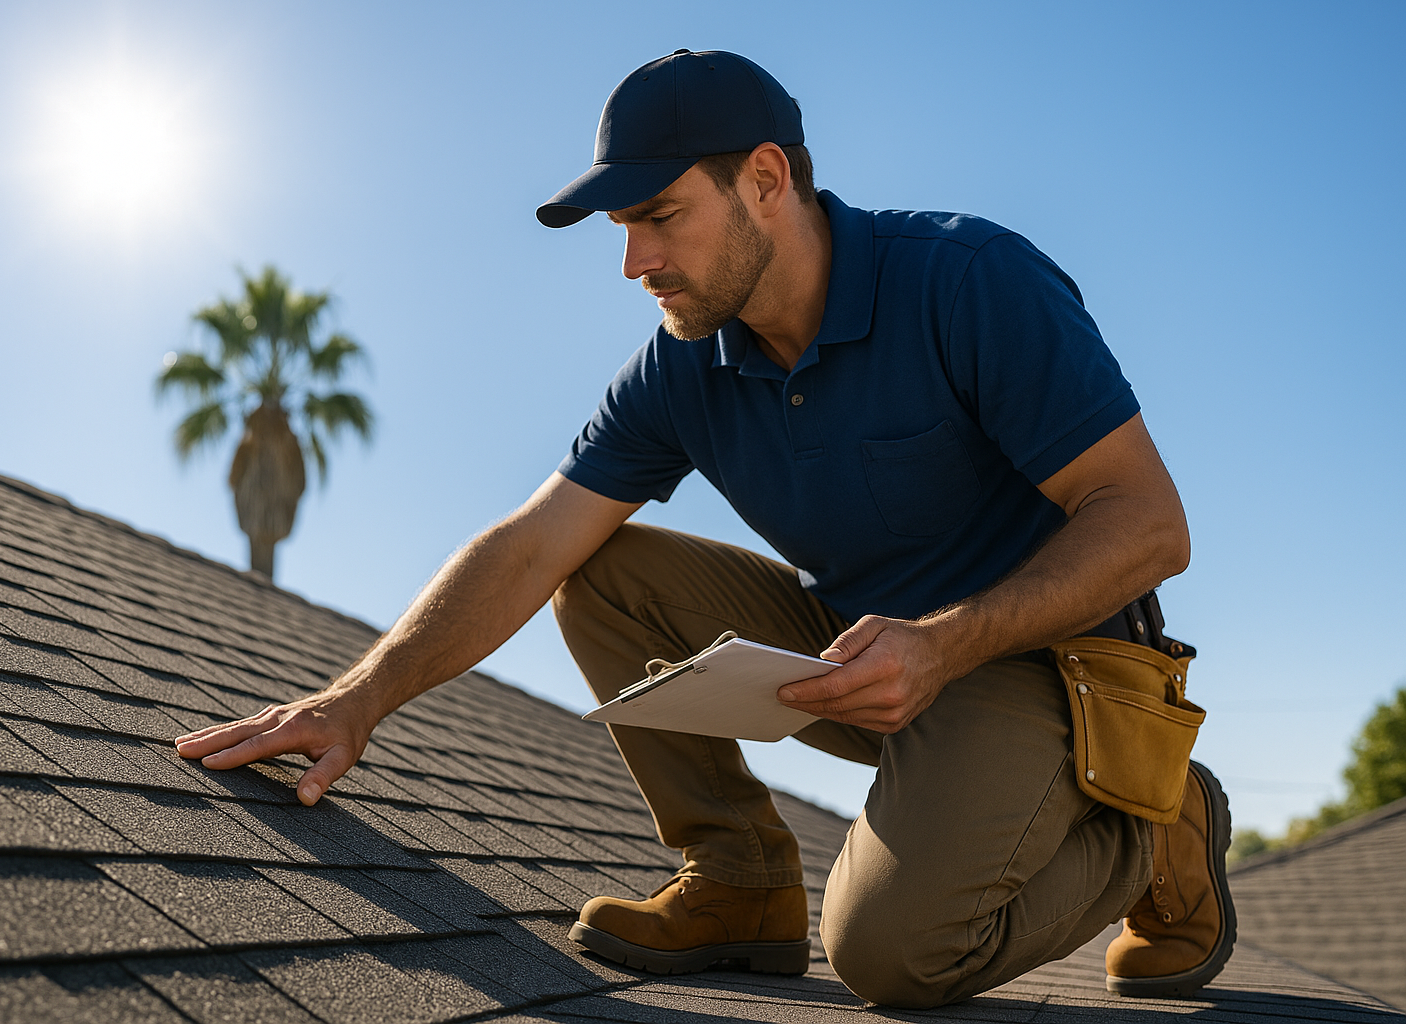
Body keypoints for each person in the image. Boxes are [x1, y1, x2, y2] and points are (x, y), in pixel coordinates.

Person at [175, 49, 1236, 1008]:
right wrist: (358, 699)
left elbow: (1148, 525)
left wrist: (947, 641)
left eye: (659, 216)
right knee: (597, 570)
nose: (634, 263)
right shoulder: (685, 359)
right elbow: (537, 540)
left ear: (767, 181)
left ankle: (1158, 817)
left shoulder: (968, 282)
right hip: (868, 644)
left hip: (1048, 665)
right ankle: (739, 881)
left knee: (892, 956)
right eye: (621, 228)